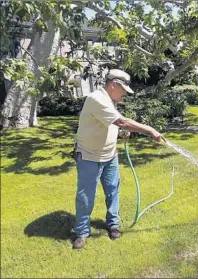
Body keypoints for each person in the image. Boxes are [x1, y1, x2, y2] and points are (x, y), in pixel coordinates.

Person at [72, 69, 162, 249]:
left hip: (110, 155)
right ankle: (82, 231)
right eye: (124, 91)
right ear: (114, 85)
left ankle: (113, 224)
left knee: (113, 190)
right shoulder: (96, 99)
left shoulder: (109, 101)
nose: (125, 95)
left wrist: (119, 133)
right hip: (89, 156)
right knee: (86, 196)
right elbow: (120, 120)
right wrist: (150, 129)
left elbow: (110, 123)